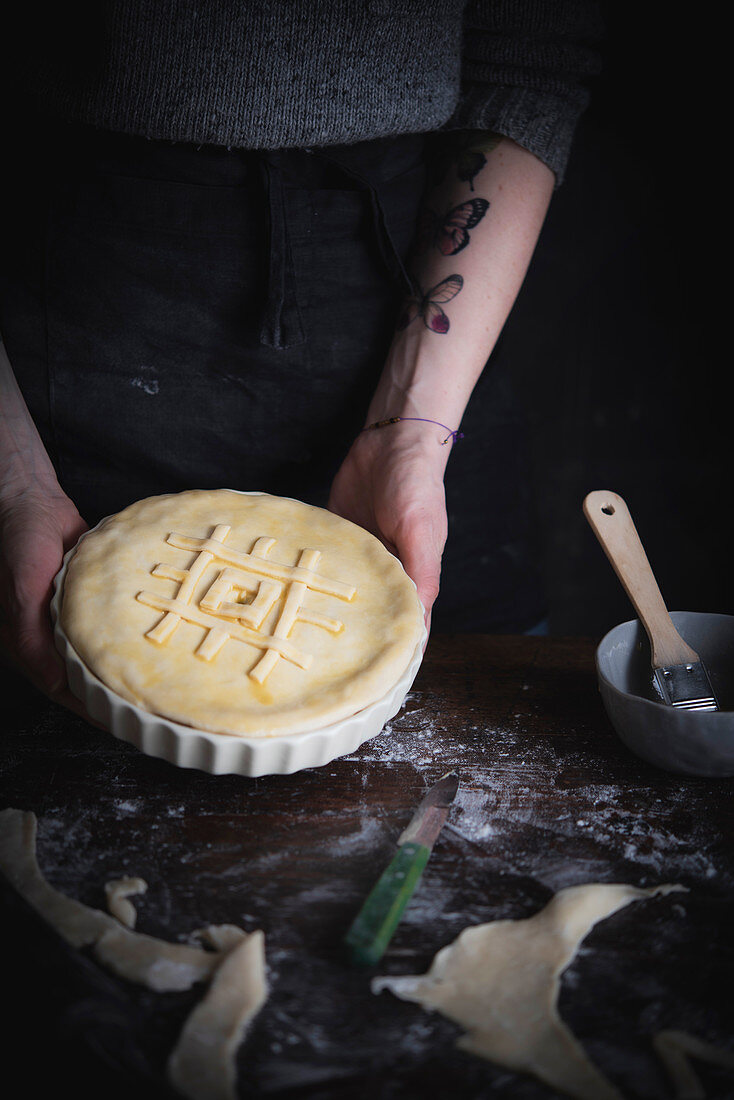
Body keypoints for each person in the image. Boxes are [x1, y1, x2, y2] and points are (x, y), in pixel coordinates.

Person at [0, 1, 601, 708]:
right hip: (81, 306)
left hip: (424, 322)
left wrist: (411, 434)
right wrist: (14, 483)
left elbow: (530, 63)